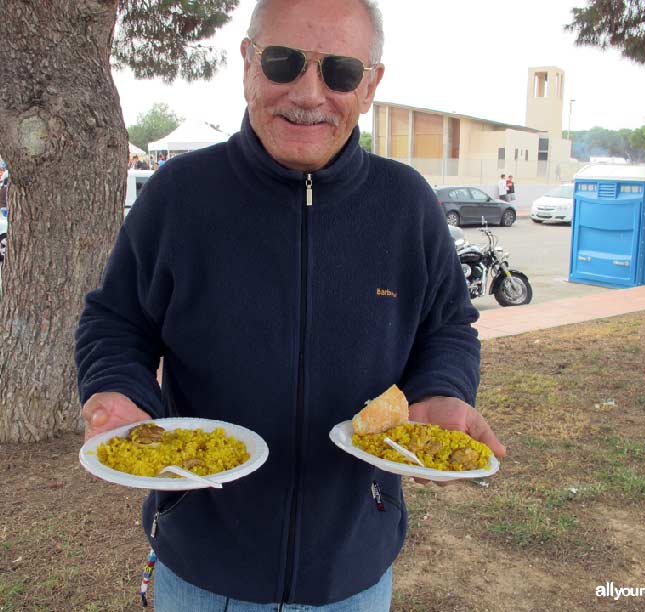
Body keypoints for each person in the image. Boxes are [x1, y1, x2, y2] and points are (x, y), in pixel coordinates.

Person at [75, 1, 505, 610]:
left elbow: (449, 327)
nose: (309, 93)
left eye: (340, 72)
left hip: (353, 571)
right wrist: (118, 388)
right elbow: (116, 321)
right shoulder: (178, 196)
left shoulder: (406, 204)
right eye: (283, 63)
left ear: (371, 84)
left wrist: (442, 389)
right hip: (202, 569)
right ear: (249, 64)